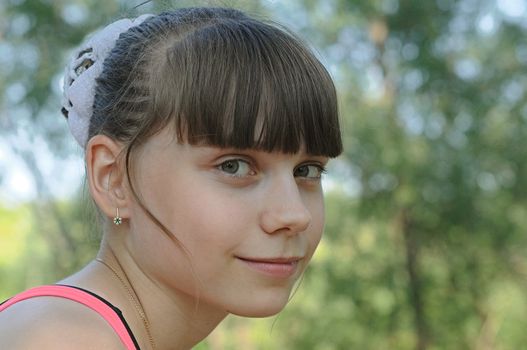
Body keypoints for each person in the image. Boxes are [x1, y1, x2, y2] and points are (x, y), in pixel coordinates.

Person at [0, 7, 342, 349]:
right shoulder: (65, 340)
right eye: (233, 166)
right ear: (113, 178)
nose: (296, 215)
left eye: (307, 171)